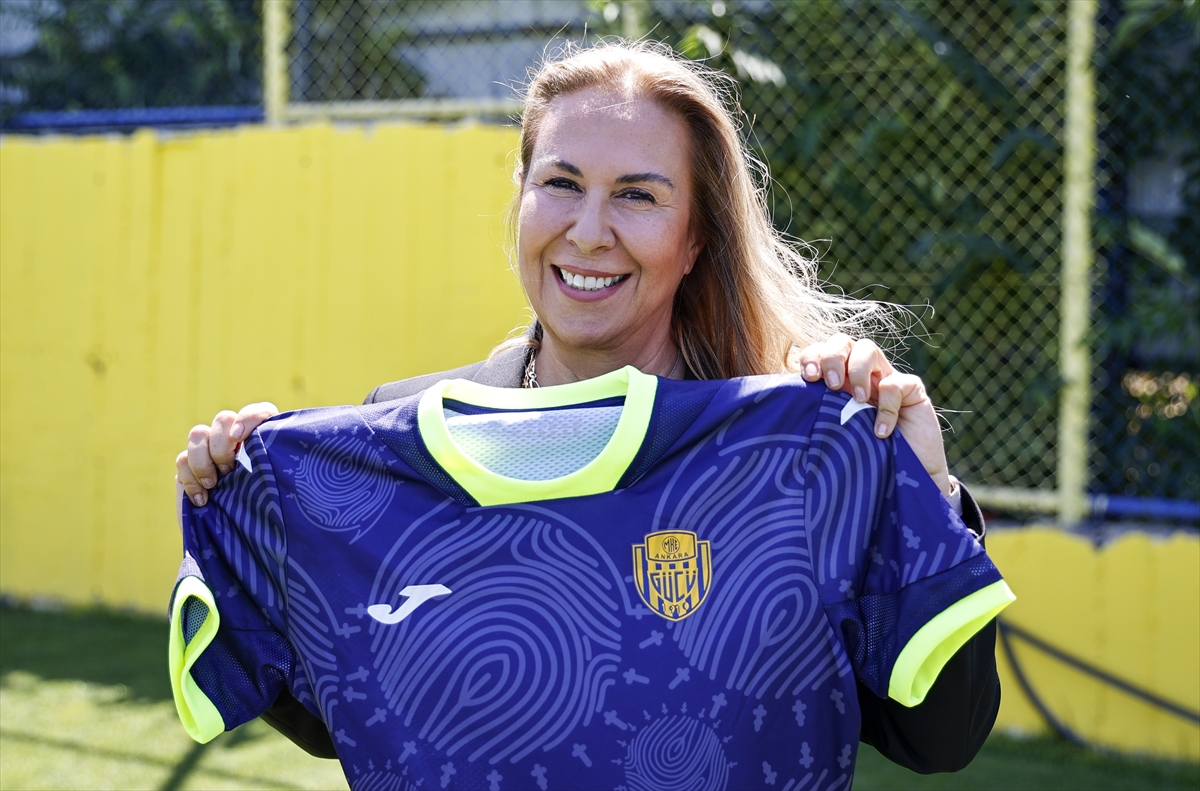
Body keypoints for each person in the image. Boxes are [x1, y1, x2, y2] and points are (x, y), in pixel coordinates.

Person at [172, 40, 1005, 779]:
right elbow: (352, 716)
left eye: (637, 196)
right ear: (521, 197)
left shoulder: (794, 452)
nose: (589, 231)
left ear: (697, 238)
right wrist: (251, 509)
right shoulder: (396, 434)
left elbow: (939, 736)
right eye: (561, 184)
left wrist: (925, 488)